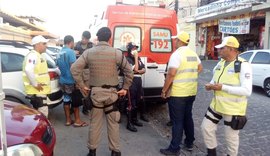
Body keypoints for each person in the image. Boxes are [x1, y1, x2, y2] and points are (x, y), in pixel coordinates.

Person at [71, 27, 133, 156]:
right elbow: (129, 71)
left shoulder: (89, 52)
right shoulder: (116, 53)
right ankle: (115, 151)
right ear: (110, 38)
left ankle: (92, 151)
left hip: (95, 94)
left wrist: (82, 85)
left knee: (95, 124)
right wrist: (125, 88)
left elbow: (74, 69)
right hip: (112, 94)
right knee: (113, 124)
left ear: (97, 38)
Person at [201, 36, 252, 156]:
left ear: (231, 49)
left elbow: (247, 91)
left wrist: (222, 87)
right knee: (205, 128)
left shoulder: (243, 65)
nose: (218, 51)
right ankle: (211, 153)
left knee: (231, 139)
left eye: (221, 48)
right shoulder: (221, 63)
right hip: (217, 105)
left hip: (233, 109)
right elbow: (214, 79)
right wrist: (211, 85)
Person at [160, 31, 203, 155]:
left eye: (175, 40)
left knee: (177, 121)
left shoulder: (176, 54)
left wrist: (164, 90)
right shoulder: (193, 54)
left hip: (178, 93)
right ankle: (189, 142)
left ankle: (174, 148)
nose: (174, 42)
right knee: (187, 117)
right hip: (191, 92)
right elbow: (200, 68)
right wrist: (189, 74)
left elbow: (171, 74)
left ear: (179, 41)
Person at [56, 35, 87, 127]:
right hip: (71, 80)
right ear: (71, 42)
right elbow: (74, 68)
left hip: (62, 80)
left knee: (66, 99)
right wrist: (78, 81)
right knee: (75, 100)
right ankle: (77, 120)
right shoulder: (70, 52)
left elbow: (57, 66)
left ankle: (68, 120)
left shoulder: (59, 52)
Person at [22, 35, 50, 118]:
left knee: (37, 115)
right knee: (42, 115)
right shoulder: (33, 55)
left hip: (39, 91)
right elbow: (28, 69)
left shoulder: (38, 55)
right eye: (44, 43)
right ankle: (43, 130)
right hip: (37, 92)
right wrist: (35, 84)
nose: (46, 46)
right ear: (38, 44)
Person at [125, 42, 148, 132]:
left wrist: (139, 70)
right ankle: (129, 123)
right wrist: (138, 69)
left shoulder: (138, 58)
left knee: (139, 100)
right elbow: (135, 70)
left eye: (136, 48)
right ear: (129, 50)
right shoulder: (127, 59)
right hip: (132, 81)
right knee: (131, 103)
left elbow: (144, 69)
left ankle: (135, 120)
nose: (135, 50)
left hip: (138, 81)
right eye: (133, 48)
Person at [74, 30, 94, 115]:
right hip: (78, 70)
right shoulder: (77, 45)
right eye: (82, 38)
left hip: (87, 70)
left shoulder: (91, 46)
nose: (83, 40)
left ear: (88, 39)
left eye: (85, 39)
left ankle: (85, 107)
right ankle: (75, 107)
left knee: (87, 89)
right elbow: (73, 56)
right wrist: (74, 53)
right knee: (78, 88)